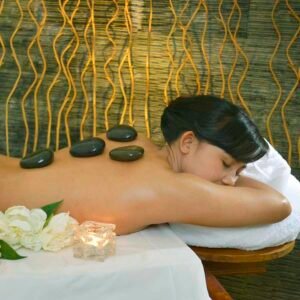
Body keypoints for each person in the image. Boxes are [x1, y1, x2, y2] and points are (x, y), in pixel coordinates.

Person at [0, 95, 291, 235]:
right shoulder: (171, 189)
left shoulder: (132, 140)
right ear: (187, 142)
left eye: (239, 172)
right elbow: (278, 204)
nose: (230, 181)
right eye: (226, 163)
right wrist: (235, 178)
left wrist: (230, 169)